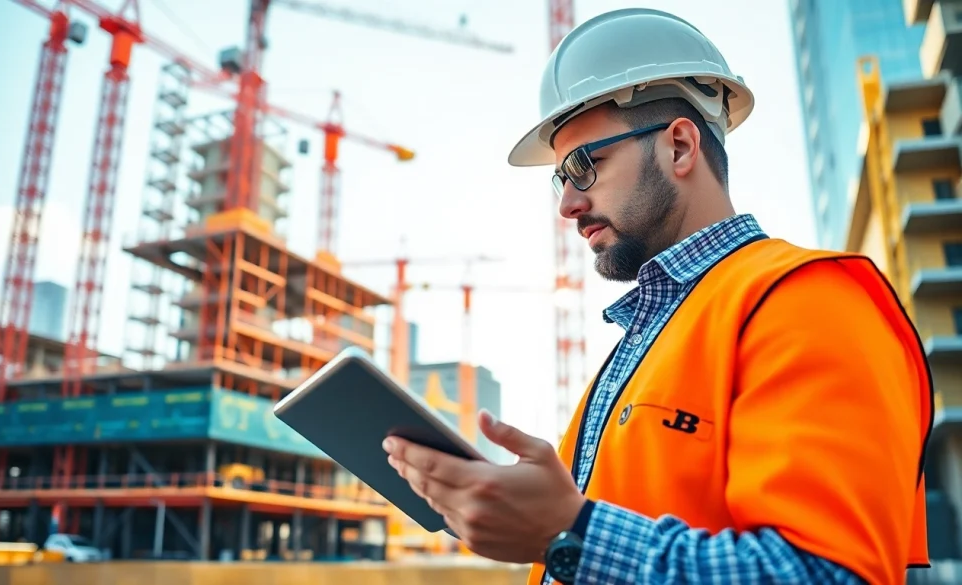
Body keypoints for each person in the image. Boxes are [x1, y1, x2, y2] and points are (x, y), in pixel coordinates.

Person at [383, 7, 934, 585]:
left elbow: (829, 575)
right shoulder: (640, 353)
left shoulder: (807, 302)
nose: (567, 205)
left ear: (679, 146)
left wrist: (572, 535)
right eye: (560, 179)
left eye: (584, 166)